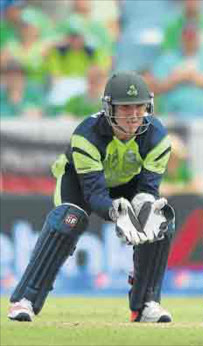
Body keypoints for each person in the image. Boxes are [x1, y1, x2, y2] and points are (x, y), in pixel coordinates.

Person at [7, 71, 176, 323]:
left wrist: (143, 206)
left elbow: (148, 189)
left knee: (158, 219)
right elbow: (95, 194)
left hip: (127, 182)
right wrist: (116, 213)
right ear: (109, 108)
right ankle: (25, 301)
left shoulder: (158, 138)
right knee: (69, 220)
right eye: (125, 108)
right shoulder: (86, 135)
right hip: (79, 181)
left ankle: (146, 305)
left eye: (139, 107)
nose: (133, 115)